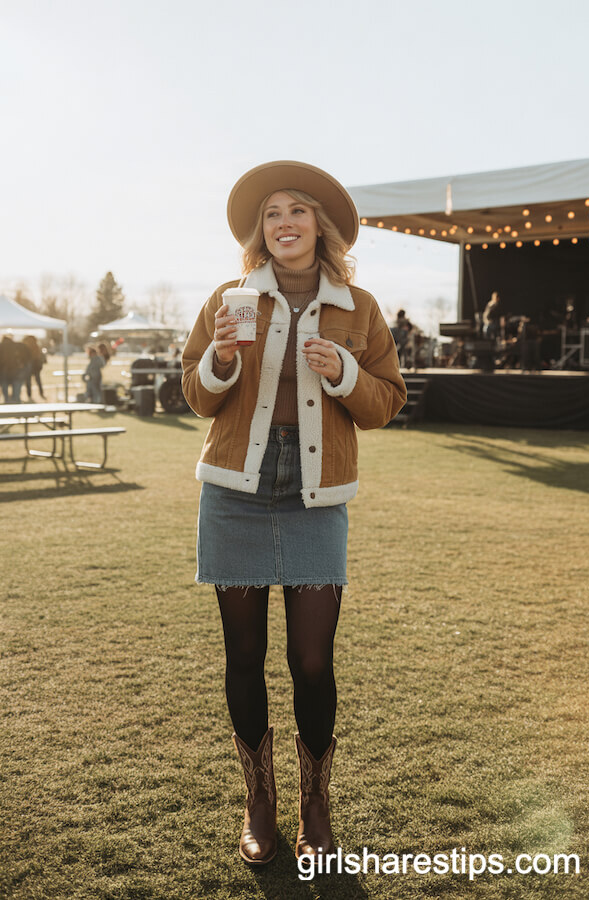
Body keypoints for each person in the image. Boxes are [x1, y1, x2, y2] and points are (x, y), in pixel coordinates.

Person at [182, 160, 407, 866]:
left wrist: (342, 369)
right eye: (273, 213)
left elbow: (387, 401)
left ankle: (316, 801)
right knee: (243, 656)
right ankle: (260, 800)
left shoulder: (360, 306)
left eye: (297, 211)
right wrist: (220, 357)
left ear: (321, 227)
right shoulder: (231, 296)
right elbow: (196, 393)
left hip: (315, 493)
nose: (283, 222)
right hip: (236, 492)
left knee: (312, 661)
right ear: (262, 231)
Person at [22, 335, 46, 401]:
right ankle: (40, 393)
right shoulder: (36, 345)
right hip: (35, 366)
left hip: (31, 365)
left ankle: (30, 395)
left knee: (29, 382)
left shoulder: (27, 345)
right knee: (37, 381)